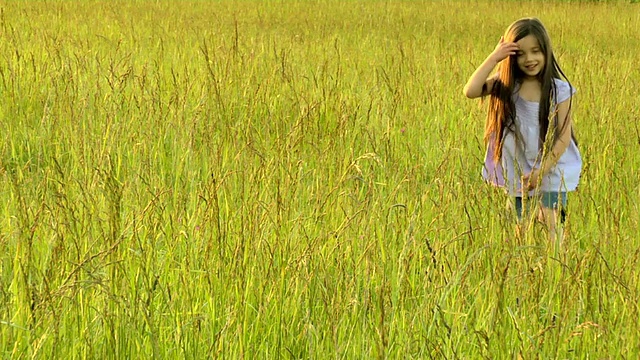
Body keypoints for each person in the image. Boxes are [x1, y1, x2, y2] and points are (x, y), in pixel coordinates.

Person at [463, 17, 582, 241]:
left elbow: (563, 138)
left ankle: (555, 270)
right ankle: (524, 271)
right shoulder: (506, 85)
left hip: (552, 167)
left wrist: (542, 170)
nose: (530, 59)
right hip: (519, 171)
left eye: (536, 51)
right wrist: (494, 57)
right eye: (521, 54)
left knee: (553, 227)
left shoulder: (559, 90)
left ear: (546, 51)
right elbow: (471, 90)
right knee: (520, 231)